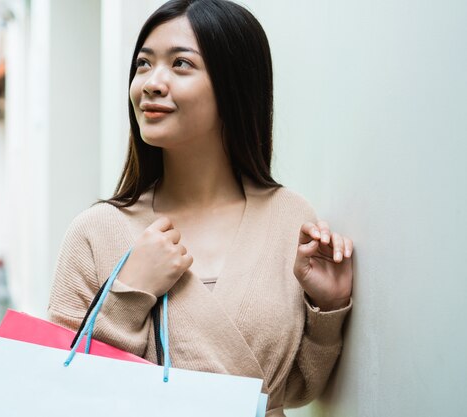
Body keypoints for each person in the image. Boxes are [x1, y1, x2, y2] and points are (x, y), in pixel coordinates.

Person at [48, 0, 353, 415]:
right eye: (143, 64)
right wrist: (129, 294)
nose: (151, 83)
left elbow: (298, 388)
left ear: (234, 85)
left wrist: (328, 308)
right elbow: (65, 390)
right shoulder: (95, 232)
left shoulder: (291, 217)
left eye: (180, 64)